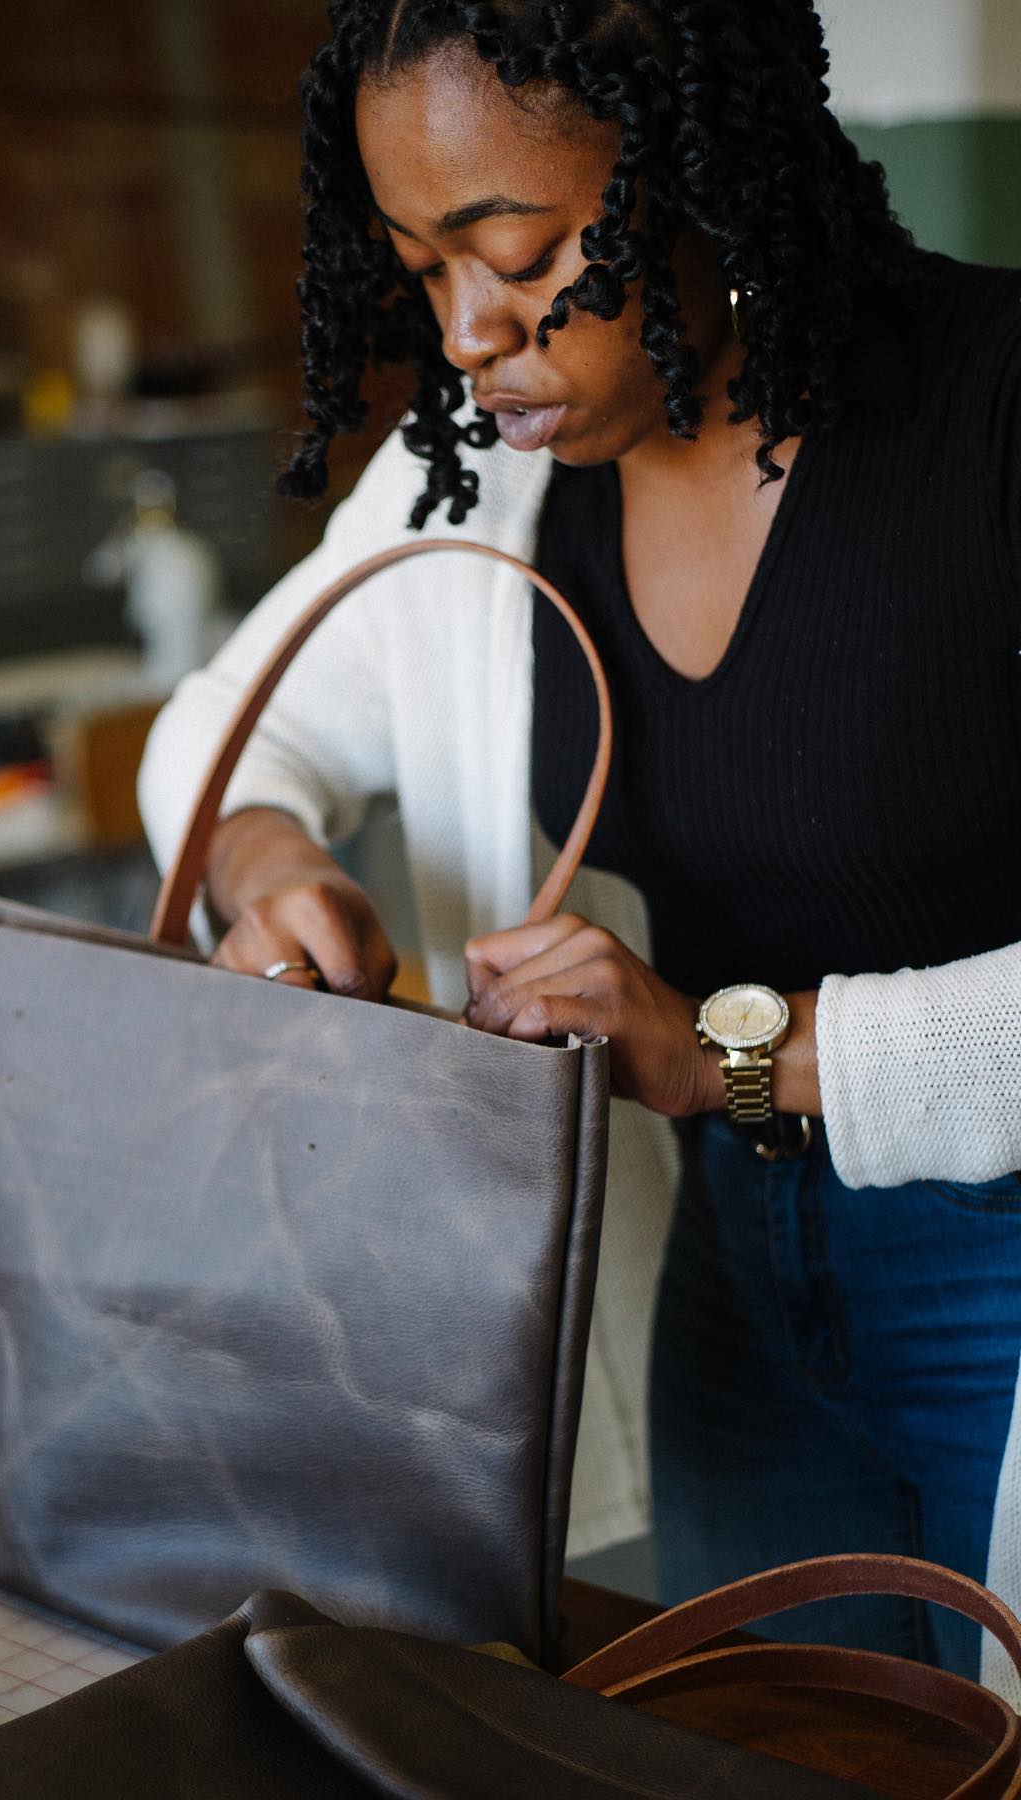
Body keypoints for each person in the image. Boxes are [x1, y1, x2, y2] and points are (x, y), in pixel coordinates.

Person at [139, 0, 1021, 1683]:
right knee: (756, 1751)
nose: (466, 333)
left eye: (522, 253)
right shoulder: (482, 466)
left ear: (697, 177)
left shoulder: (996, 409)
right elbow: (234, 731)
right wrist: (273, 873)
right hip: (739, 1267)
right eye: (418, 269)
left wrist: (726, 1053)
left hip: (1001, 1257)